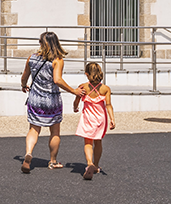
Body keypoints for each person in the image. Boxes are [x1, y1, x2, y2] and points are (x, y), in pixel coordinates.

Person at [20, 32, 84, 173]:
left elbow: (24, 76)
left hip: (35, 99)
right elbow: (57, 80)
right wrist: (73, 91)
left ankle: (28, 153)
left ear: (42, 43)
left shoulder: (32, 58)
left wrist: (24, 85)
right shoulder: (57, 60)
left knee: (34, 129)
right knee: (54, 131)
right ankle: (53, 161)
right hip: (52, 100)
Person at [73, 62, 116, 180]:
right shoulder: (105, 89)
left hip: (88, 117)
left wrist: (75, 107)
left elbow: (76, 100)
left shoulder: (83, 87)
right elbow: (108, 105)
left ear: (86, 74)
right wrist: (112, 118)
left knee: (88, 142)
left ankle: (89, 163)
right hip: (100, 118)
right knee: (98, 141)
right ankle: (96, 165)